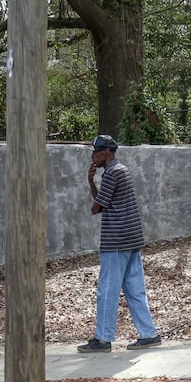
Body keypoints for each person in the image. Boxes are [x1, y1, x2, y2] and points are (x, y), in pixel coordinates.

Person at [78, 135, 162, 352]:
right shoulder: (120, 170)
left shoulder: (112, 173)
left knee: (107, 290)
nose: (93, 156)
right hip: (131, 240)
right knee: (135, 289)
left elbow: (96, 208)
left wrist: (91, 182)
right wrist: (92, 182)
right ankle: (149, 334)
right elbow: (103, 204)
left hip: (116, 241)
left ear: (107, 153)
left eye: (96, 152)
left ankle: (103, 339)